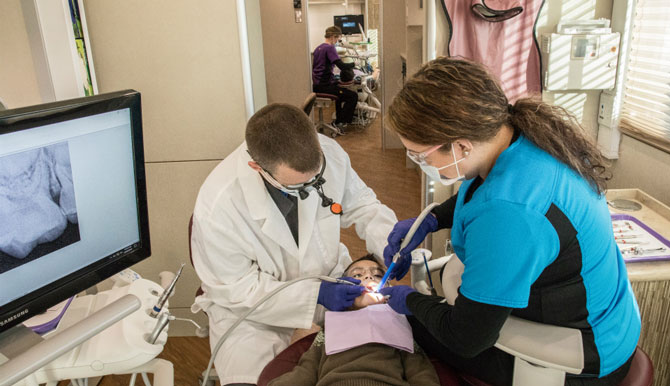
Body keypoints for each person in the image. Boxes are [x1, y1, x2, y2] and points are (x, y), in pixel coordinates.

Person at [378, 57, 641, 386]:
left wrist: (410, 302)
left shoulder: (509, 215)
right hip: (610, 314)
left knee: (412, 327)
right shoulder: (520, 138)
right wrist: (429, 221)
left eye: (420, 155)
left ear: (461, 145)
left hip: (586, 353)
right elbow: (483, 189)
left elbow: (466, 338)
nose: (419, 164)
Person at [190, 103, 397, 386]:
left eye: (318, 178)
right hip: (254, 315)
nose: (314, 190)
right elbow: (236, 289)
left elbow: (363, 206)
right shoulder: (219, 206)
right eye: (300, 187)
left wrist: (393, 242)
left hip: (329, 278)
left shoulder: (330, 152)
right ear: (257, 168)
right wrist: (313, 296)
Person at [268, 254, 441, 386]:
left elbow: (420, 371)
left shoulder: (398, 321)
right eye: (358, 275)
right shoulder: (332, 325)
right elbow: (307, 370)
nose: (368, 277)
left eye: (378, 275)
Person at [312, 26, 358, 133]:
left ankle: (338, 121)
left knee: (339, 94)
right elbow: (341, 66)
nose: (337, 41)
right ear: (333, 36)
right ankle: (341, 123)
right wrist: (355, 64)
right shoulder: (329, 48)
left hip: (318, 85)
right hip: (325, 86)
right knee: (353, 96)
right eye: (337, 39)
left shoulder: (318, 48)